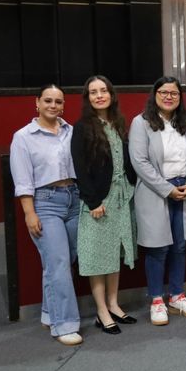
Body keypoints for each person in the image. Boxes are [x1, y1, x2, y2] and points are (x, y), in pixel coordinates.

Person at [129, 77, 186, 326]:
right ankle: (156, 299)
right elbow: (140, 162)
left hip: (185, 189)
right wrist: (167, 189)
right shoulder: (141, 123)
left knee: (180, 246)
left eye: (174, 93)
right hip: (156, 191)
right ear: (155, 95)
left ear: (180, 97)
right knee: (157, 247)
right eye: (163, 92)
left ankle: (176, 295)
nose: (169, 97)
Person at [10, 85, 82, 346]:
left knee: (62, 261)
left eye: (58, 102)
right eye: (48, 100)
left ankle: (49, 313)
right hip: (45, 202)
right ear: (37, 103)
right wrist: (29, 213)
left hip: (74, 199)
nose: (53, 105)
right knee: (59, 263)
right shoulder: (23, 137)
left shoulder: (71, 131)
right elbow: (22, 180)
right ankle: (65, 324)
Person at [72, 75, 137, 335]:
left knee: (114, 253)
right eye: (93, 92)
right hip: (99, 201)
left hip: (121, 197)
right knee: (97, 256)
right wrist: (93, 201)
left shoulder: (118, 122)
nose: (99, 96)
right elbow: (80, 167)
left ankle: (113, 304)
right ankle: (101, 311)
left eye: (103, 91)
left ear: (111, 94)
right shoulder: (82, 127)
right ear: (87, 98)